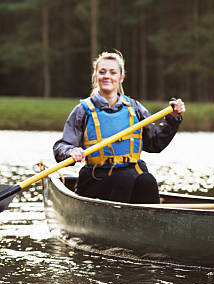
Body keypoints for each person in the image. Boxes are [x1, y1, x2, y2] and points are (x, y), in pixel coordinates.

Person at [53, 51, 185, 204]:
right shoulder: (82, 111)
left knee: (147, 181)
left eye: (112, 72)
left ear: (121, 78)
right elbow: (61, 146)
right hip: (96, 179)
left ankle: (152, 222)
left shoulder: (134, 108)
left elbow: (155, 143)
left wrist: (173, 118)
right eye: (102, 72)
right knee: (124, 178)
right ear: (96, 76)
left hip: (131, 173)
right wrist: (71, 151)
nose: (107, 76)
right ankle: (115, 222)